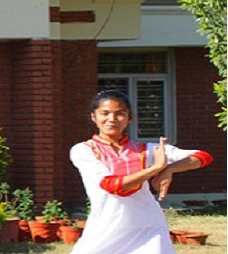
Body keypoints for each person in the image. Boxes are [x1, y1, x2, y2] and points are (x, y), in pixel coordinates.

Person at [69, 90, 213, 254]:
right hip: (105, 229)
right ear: (94, 117)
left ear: (130, 118)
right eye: (105, 113)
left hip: (148, 228)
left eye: (120, 114)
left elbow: (203, 157)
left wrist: (169, 169)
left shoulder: (146, 150)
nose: (112, 119)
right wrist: (156, 168)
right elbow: (112, 185)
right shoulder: (83, 150)